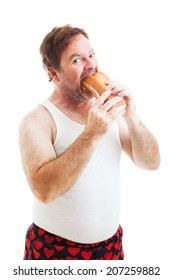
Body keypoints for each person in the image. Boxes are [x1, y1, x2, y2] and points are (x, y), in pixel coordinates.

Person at [19, 24, 160, 260]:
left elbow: (151, 163)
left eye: (91, 55)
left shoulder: (108, 107)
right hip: (54, 249)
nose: (91, 65)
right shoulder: (37, 120)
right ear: (54, 73)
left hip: (111, 246)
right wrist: (91, 134)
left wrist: (132, 116)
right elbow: (44, 191)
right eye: (77, 60)